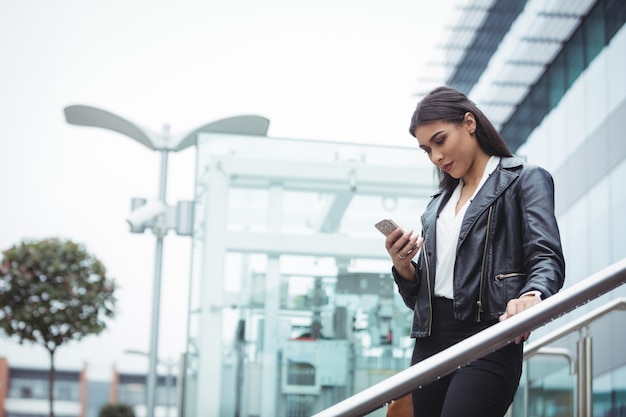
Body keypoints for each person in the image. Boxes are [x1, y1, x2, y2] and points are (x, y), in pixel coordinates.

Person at [385, 86, 565, 417]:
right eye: (426, 150)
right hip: (430, 341)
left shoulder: (524, 180)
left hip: (490, 334)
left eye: (440, 141)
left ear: (469, 123)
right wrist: (404, 265)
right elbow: (421, 296)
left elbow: (546, 256)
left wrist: (533, 295)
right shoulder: (437, 206)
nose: (436, 156)